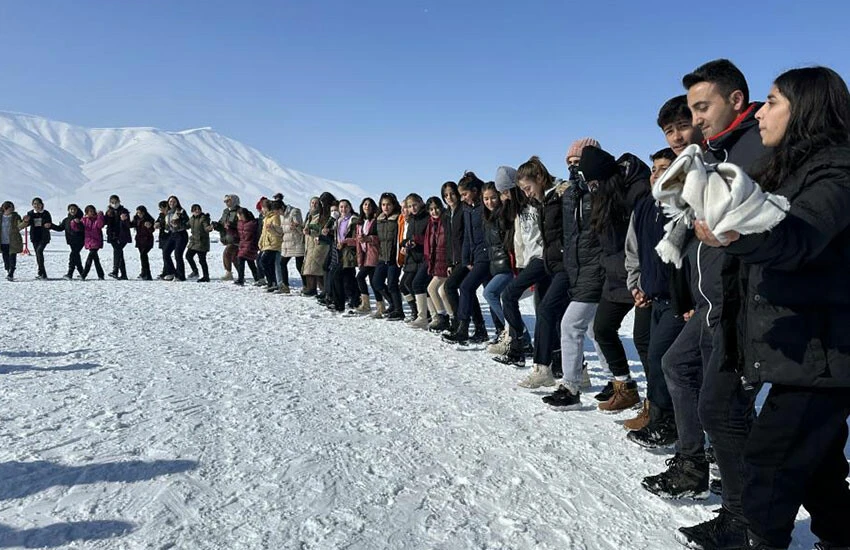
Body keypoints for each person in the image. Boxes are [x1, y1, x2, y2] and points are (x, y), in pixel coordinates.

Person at [694, 66, 850, 550]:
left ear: (805, 108)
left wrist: (737, 236)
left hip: (822, 350)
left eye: (773, 100)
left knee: (768, 466)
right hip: (798, 347)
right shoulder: (789, 167)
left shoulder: (838, 170)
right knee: (818, 465)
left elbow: (799, 238)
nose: (762, 111)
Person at [671, 58, 772, 550]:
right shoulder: (721, 149)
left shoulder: (757, 146)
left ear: (736, 100)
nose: (696, 119)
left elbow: (764, 226)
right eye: (692, 108)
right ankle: (744, 512)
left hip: (746, 307)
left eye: (702, 106)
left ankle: (747, 519)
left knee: (723, 409)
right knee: (714, 402)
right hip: (719, 302)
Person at [621, 147, 685, 445]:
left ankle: (667, 421)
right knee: (649, 350)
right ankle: (658, 413)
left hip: (679, 300)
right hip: (652, 297)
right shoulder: (644, 207)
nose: (656, 174)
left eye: (664, 168)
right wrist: (637, 286)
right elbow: (633, 252)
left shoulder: (685, 205)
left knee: (663, 357)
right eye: (654, 169)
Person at [541, 147, 609, 409]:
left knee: (570, 325)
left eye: (578, 162)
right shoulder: (569, 194)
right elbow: (566, 235)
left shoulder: (601, 191)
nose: (573, 167)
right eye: (569, 162)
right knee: (596, 329)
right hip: (576, 269)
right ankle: (619, 382)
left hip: (596, 268)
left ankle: (570, 386)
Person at [514, 157, 569, 387]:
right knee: (554, 316)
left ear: (539, 178)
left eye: (527, 188)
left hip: (567, 265)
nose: (526, 194)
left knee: (548, 312)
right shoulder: (544, 201)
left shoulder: (562, 195)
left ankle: (542, 368)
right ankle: (579, 369)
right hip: (552, 264)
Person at [442, 172, 489, 344]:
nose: (461, 198)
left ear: (475, 191)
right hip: (471, 258)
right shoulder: (468, 209)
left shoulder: (482, 207)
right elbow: (467, 238)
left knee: (468, 287)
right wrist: (466, 260)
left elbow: (487, 234)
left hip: (485, 256)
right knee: (464, 287)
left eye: (463, 194)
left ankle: (464, 326)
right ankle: (475, 327)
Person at [480, 180, 513, 339]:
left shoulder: (504, 214)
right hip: (495, 266)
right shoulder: (488, 217)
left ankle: (516, 332)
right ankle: (519, 337)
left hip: (507, 267)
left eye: (493, 197)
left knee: (489, 293)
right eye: (486, 199)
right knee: (506, 301)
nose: (489, 202)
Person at [401, 194, 431, 328]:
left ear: (420, 202)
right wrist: (405, 244)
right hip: (413, 257)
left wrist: (416, 241)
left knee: (419, 285)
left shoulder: (426, 217)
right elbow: (409, 237)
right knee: (405, 284)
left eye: (414, 205)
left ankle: (426, 314)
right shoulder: (411, 219)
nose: (412, 208)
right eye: (409, 206)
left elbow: (427, 237)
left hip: (424, 257)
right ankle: (418, 311)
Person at [372, 192, 403, 319]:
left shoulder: (398, 219)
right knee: (377, 282)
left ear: (393, 205)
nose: (386, 207)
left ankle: (399, 310)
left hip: (393, 257)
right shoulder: (378, 220)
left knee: (392, 284)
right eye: (383, 204)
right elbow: (374, 236)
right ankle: (392, 304)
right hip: (381, 256)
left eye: (388, 204)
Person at [423, 196, 451, 331]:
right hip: (437, 261)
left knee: (431, 288)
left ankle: (443, 316)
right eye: (431, 209)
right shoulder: (432, 223)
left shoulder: (445, 220)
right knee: (443, 292)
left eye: (436, 208)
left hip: (445, 261)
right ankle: (450, 317)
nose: (434, 211)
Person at [350, 197, 380, 314]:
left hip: (372, 254)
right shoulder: (360, 222)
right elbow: (358, 240)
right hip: (363, 254)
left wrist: (368, 238)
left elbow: (379, 238)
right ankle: (374, 305)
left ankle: (371, 304)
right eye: (365, 204)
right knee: (373, 281)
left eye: (369, 205)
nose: (367, 206)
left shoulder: (375, 221)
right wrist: (347, 241)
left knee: (361, 277)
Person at [278, 193, 305, 294]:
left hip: (297, 242)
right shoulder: (282, 216)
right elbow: (283, 229)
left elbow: (300, 228)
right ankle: (285, 286)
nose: (277, 214)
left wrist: (296, 226)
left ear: (281, 208)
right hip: (287, 244)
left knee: (299, 266)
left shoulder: (295, 212)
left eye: (277, 211)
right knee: (282, 263)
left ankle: (307, 286)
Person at [50, 204, 85, 280]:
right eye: (71, 209)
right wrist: (51, 225)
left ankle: (70, 273)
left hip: (80, 241)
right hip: (71, 241)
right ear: (68, 210)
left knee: (73, 256)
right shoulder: (66, 220)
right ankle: (82, 273)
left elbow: (84, 229)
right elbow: (60, 228)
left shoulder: (81, 219)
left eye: (74, 209)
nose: (72, 211)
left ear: (77, 210)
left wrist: (78, 223)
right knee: (76, 256)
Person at [21, 197, 53, 279]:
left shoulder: (46, 213)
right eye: (35, 204)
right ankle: (41, 273)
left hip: (44, 236)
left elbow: (49, 223)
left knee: (39, 251)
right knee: (38, 254)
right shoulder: (30, 213)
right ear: (32, 205)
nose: (37, 205)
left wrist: (47, 225)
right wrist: (25, 220)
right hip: (35, 236)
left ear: (42, 205)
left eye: (38, 204)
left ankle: (43, 273)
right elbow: (27, 223)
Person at [160, 196, 190, 281]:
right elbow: (166, 226)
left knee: (178, 255)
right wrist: (161, 225)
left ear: (177, 202)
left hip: (181, 234)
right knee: (165, 252)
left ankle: (180, 276)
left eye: (174, 201)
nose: (172, 203)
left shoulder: (181, 211)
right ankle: (171, 272)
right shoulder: (168, 213)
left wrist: (179, 223)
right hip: (172, 234)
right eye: (170, 201)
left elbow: (187, 223)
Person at [212, 194, 241, 281]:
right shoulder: (225, 211)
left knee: (227, 253)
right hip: (227, 237)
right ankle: (241, 273)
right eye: (225, 201)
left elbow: (242, 224)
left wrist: (231, 225)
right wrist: (216, 225)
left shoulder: (239, 211)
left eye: (228, 200)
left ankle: (228, 273)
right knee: (234, 257)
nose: (226, 203)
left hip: (236, 238)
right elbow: (222, 224)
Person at [103, 194, 132, 280]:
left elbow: (128, 225)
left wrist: (124, 220)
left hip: (123, 235)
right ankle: (123, 274)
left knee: (117, 251)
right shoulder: (109, 212)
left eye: (116, 202)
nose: (114, 204)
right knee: (119, 253)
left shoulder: (124, 211)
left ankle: (115, 271)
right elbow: (105, 222)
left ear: (119, 201)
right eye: (113, 202)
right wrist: (104, 216)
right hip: (112, 236)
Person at [258, 199, 283, 291]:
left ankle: (272, 282)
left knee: (264, 261)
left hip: (273, 244)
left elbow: (279, 231)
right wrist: (261, 241)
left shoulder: (275, 217)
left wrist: (272, 228)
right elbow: (263, 232)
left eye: (263, 208)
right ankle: (272, 283)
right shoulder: (266, 218)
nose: (262, 210)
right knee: (268, 263)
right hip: (267, 243)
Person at [186, 204, 212, 283]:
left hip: (202, 242)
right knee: (188, 256)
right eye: (195, 209)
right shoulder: (192, 219)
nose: (197, 211)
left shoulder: (203, 218)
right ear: (192, 211)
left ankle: (206, 276)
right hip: (193, 242)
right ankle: (195, 271)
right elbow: (186, 226)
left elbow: (206, 227)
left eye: (198, 209)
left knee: (202, 260)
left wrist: (209, 228)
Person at [234, 207, 260, 285]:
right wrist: (228, 229)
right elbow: (237, 234)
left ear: (242, 215)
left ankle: (240, 279)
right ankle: (257, 278)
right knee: (250, 262)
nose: (238, 217)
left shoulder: (253, 223)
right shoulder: (240, 223)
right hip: (243, 245)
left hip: (250, 245)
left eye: (238, 215)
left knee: (240, 258)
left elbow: (255, 235)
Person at [78, 205, 105, 280]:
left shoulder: (97, 219)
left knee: (89, 259)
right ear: (86, 212)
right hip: (89, 241)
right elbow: (78, 227)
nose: (92, 213)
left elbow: (100, 225)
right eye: (90, 211)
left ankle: (84, 274)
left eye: (93, 211)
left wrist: (100, 215)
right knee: (96, 259)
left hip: (96, 241)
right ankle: (101, 275)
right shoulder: (84, 220)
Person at [130, 205, 156, 280]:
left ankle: (147, 274)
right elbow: (130, 225)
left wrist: (149, 227)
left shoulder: (149, 219)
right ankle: (144, 273)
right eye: (137, 213)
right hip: (139, 240)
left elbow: (152, 230)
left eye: (140, 213)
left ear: (144, 212)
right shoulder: (136, 219)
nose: (139, 214)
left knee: (143, 255)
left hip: (147, 240)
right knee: (142, 256)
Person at [1, 201, 24, 281]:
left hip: (13, 240)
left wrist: (25, 222)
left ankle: (11, 272)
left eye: (12, 208)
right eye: (10, 208)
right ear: (5, 208)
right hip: (3, 240)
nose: (12, 209)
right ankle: (8, 270)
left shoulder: (16, 217)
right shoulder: (1, 216)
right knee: (5, 257)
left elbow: (20, 225)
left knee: (12, 256)